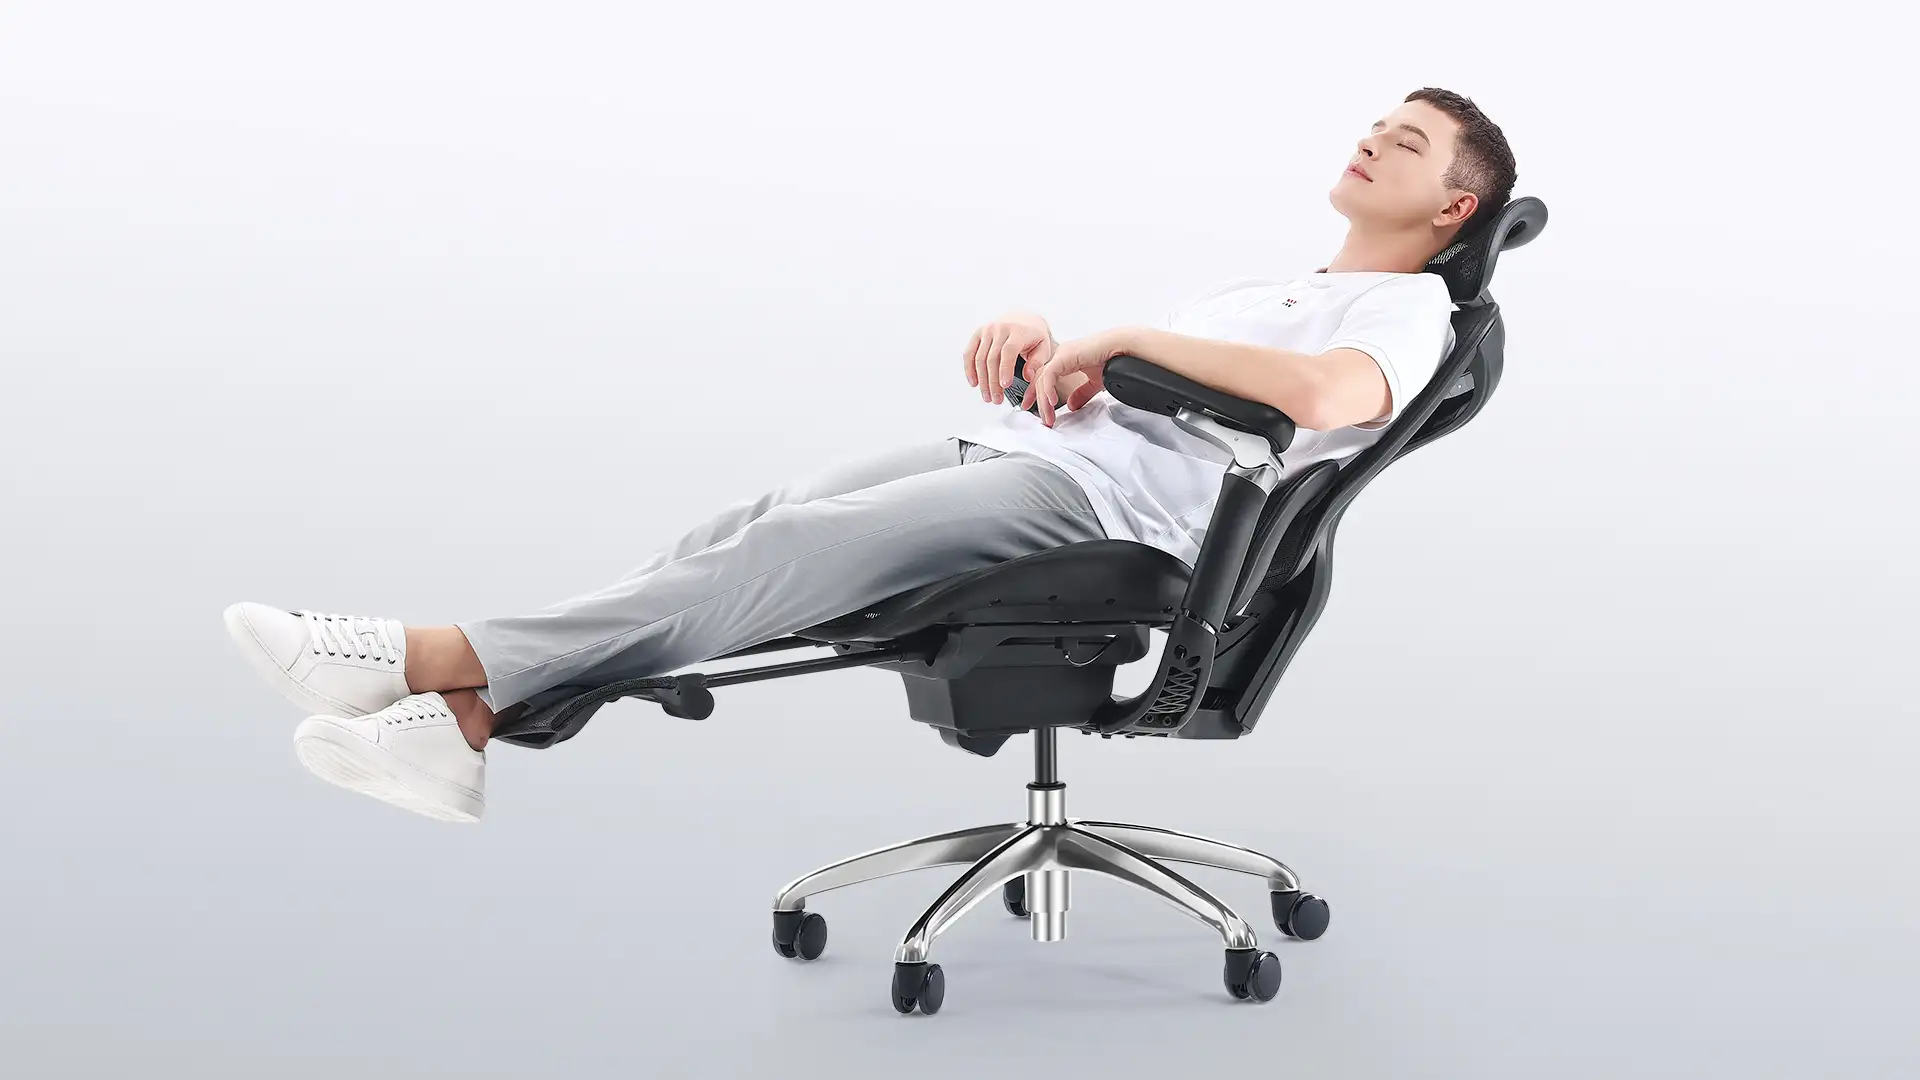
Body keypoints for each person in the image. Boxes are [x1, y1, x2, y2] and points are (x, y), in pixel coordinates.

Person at [223, 87, 1518, 824]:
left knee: (789, 555)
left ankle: (427, 660)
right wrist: (1053, 340)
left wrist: (1121, 335)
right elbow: (1172, 386)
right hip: (1040, 455)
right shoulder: (1282, 281)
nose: (1372, 137)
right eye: (1380, 121)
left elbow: (1327, 393)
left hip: (1103, 520)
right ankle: (469, 723)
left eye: (1405, 143)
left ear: (1453, 208)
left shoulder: (1410, 312)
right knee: (746, 531)